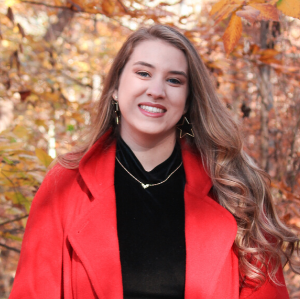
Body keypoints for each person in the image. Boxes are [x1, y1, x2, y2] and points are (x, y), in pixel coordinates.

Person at [9, 25, 299, 299]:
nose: (157, 90)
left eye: (174, 80)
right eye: (143, 73)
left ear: (187, 101)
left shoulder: (233, 187)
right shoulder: (65, 183)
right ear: (115, 87)